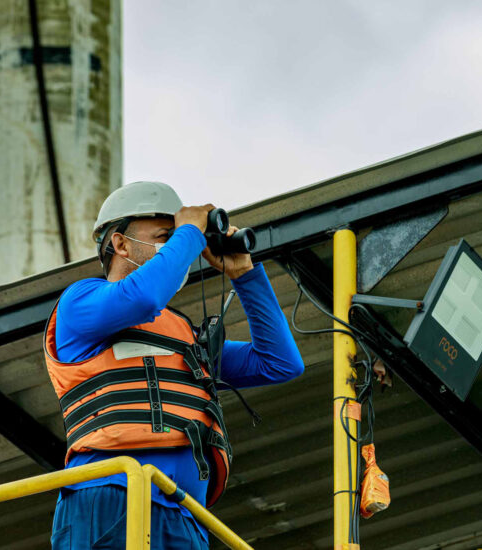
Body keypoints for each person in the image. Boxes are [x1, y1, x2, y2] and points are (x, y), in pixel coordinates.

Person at [44, 181, 304, 549]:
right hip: (111, 493)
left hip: (185, 516)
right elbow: (144, 296)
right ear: (120, 244)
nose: (181, 245)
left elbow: (280, 363)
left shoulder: (182, 336)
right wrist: (192, 231)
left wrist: (245, 274)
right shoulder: (80, 301)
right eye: (166, 236)